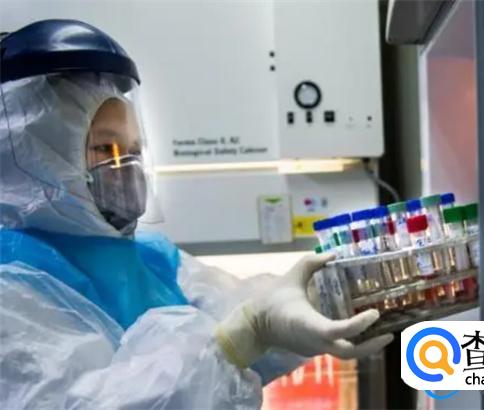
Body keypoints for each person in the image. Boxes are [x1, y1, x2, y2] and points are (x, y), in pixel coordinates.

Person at [0, 20, 393, 408]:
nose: (126, 168)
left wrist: (326, 294)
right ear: (32, 157)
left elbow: (236, 314)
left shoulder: (152, 259)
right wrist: (240, 337)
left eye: (133, 151)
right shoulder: (11, 287)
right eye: (105, 148)